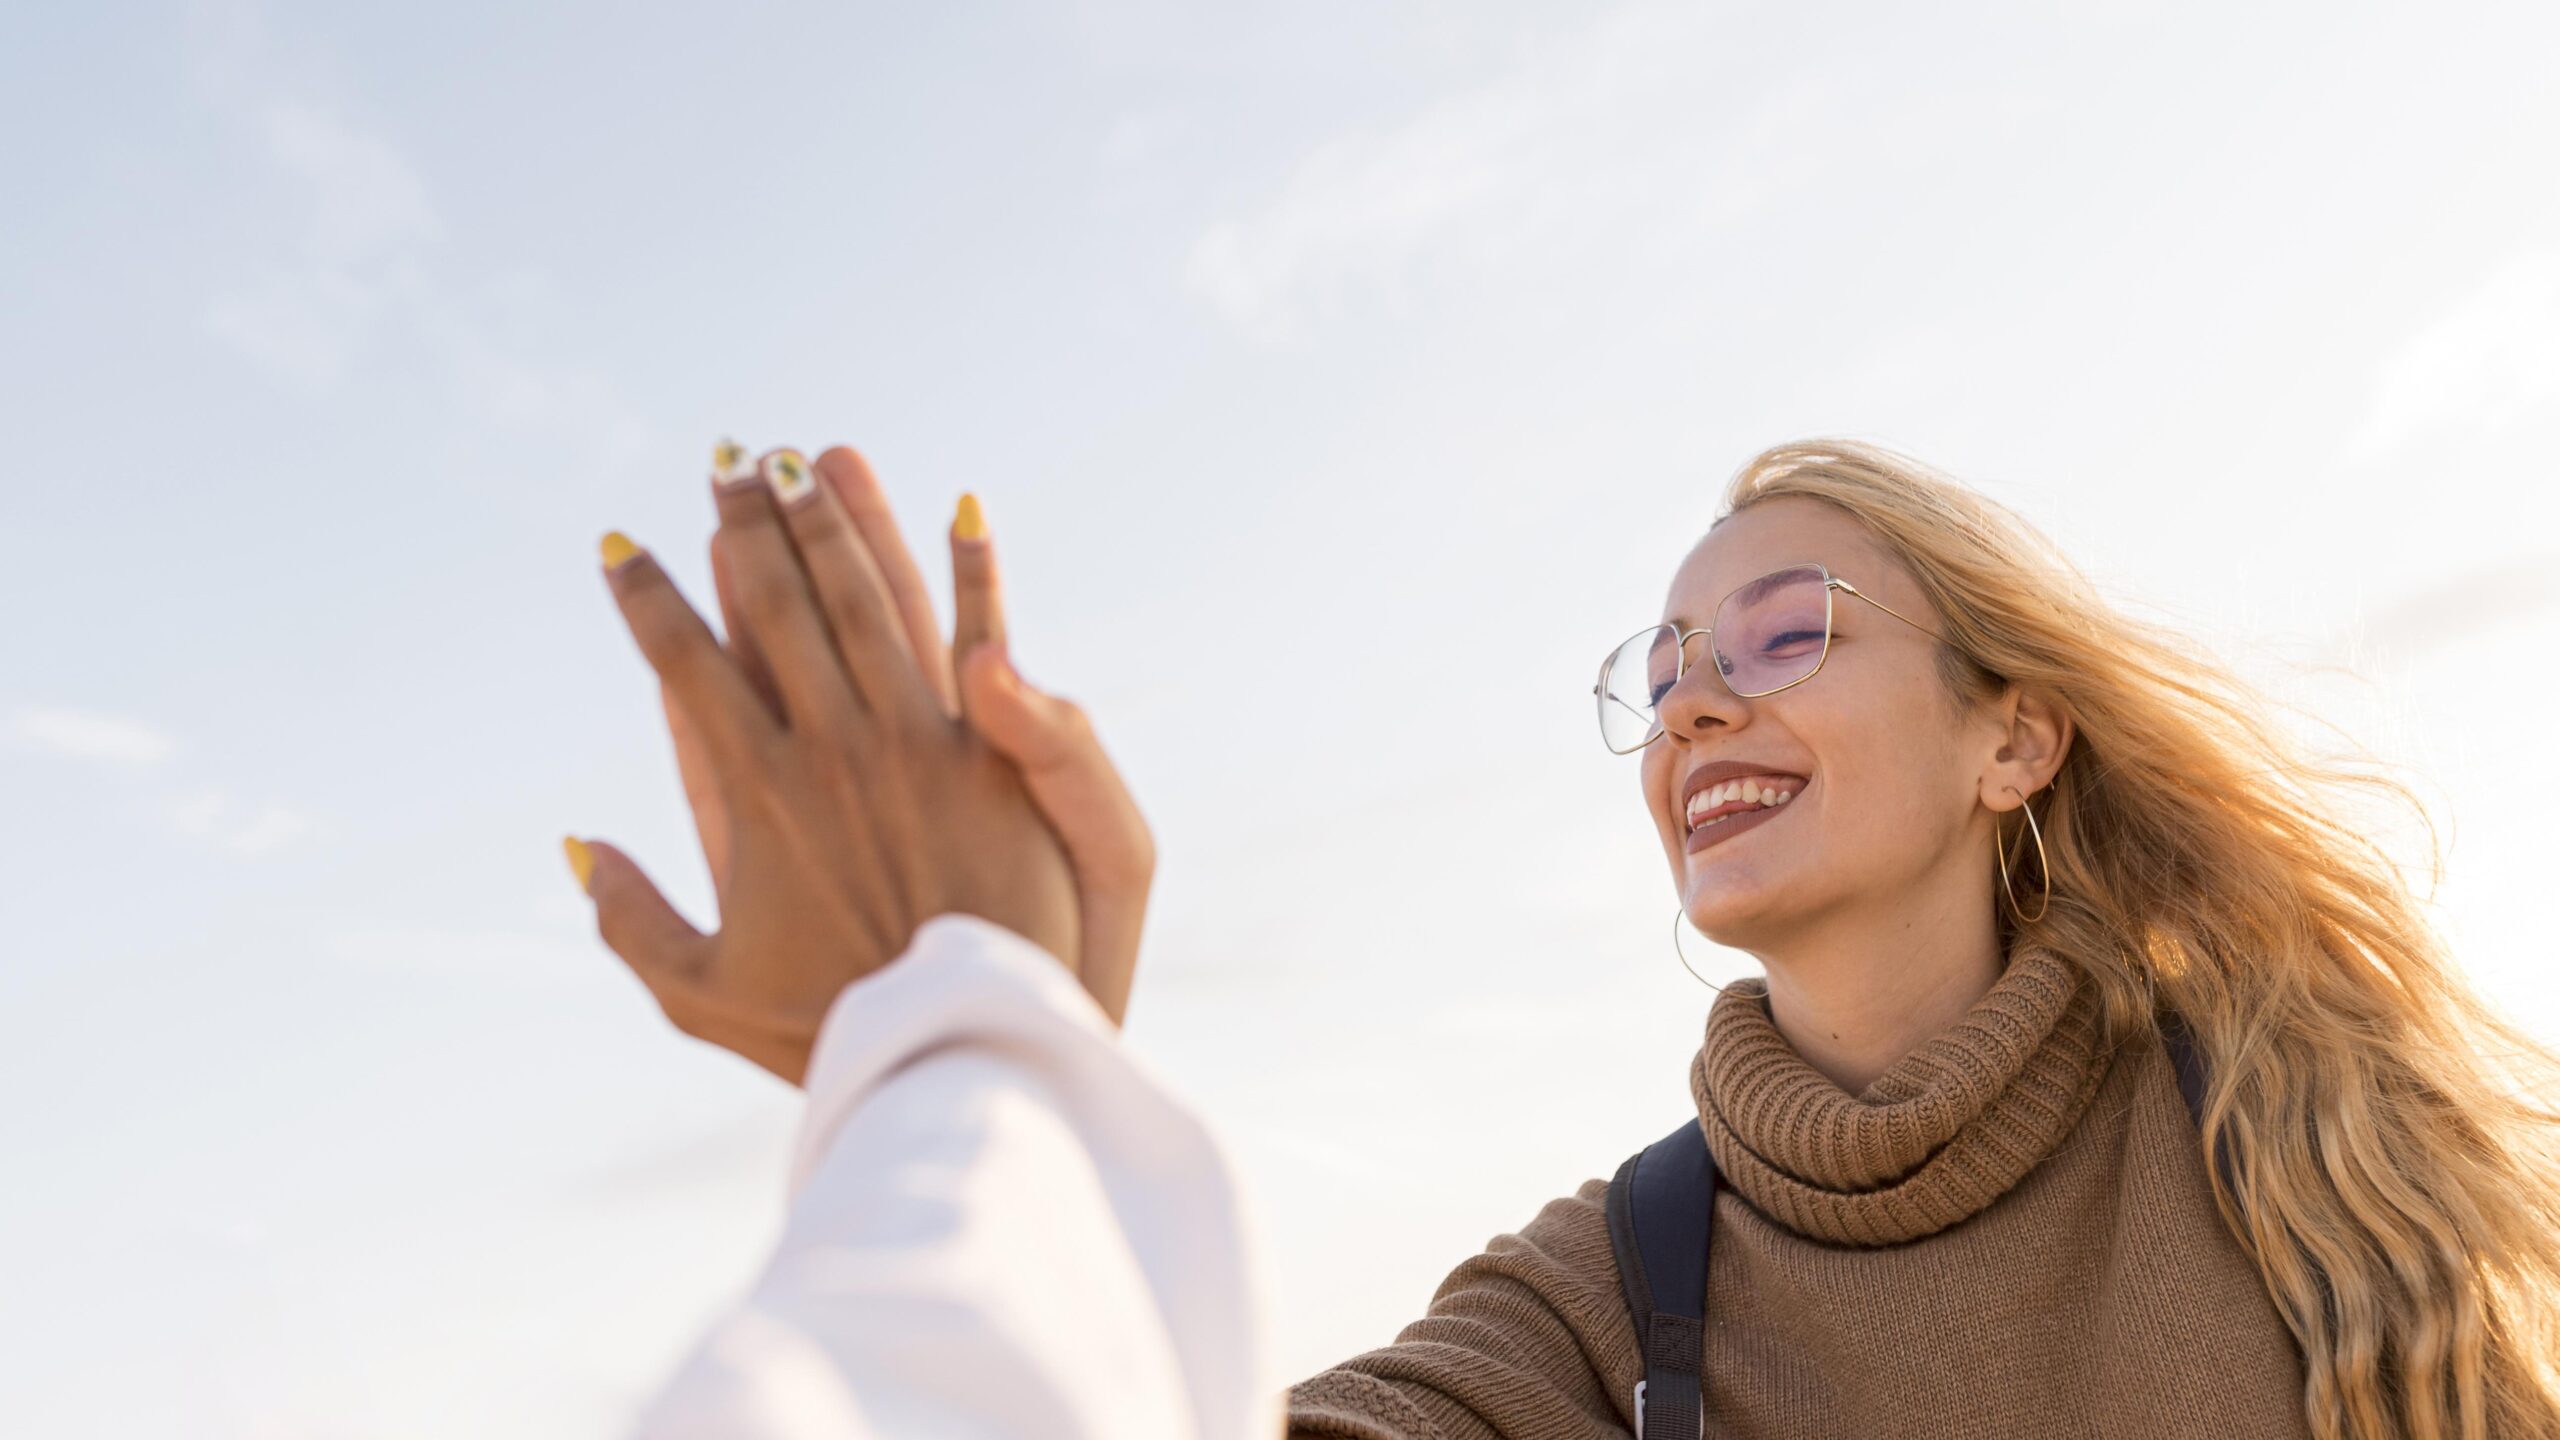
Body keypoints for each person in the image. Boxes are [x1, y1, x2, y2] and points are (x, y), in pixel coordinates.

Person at [575, 438, 2560, 1439]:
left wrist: (966, 1050)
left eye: (1782, 636)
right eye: (1668, 669)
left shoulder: (2297, 1130)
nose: (1696, 703)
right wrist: (972, 1048)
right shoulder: (1607, 1296)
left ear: (2009, 731)